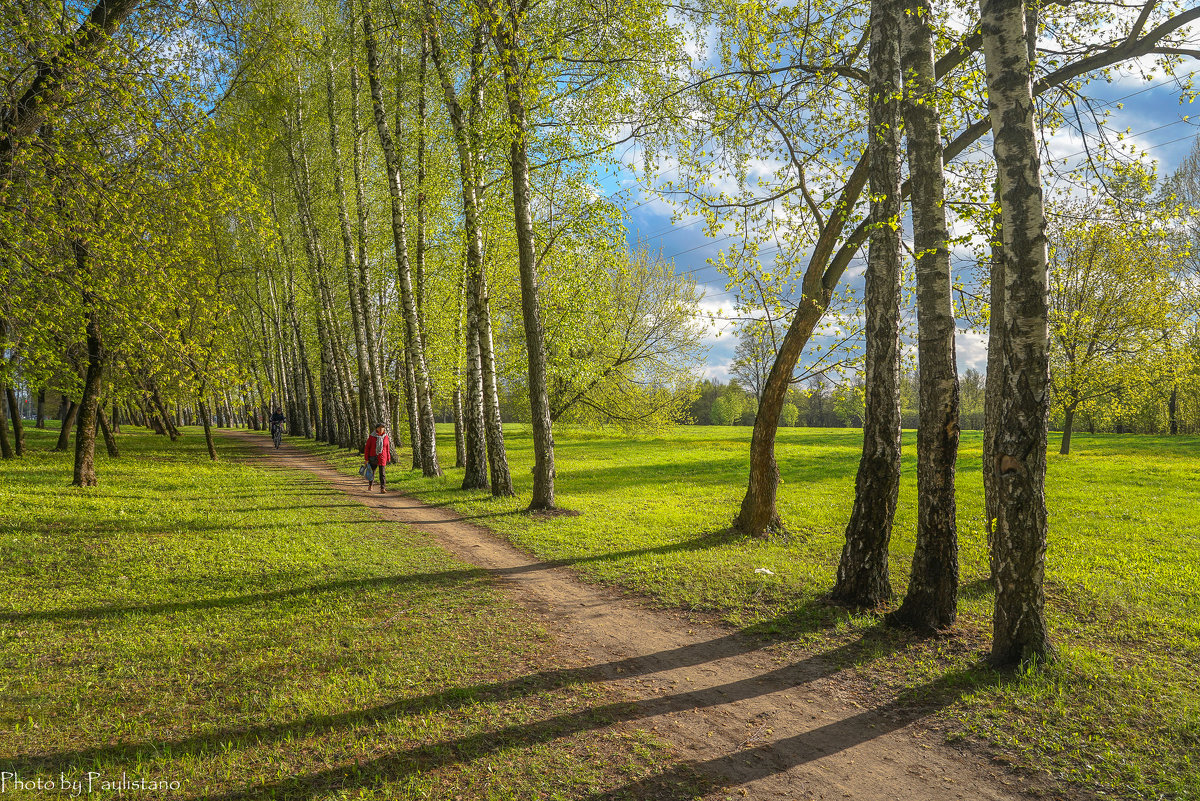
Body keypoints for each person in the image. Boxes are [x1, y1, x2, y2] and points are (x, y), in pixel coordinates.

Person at [364, 423, 390, 493]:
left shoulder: (386, 437)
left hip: (382, 457)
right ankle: (370, 485)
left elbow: (387, 448)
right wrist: (366, 458)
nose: (381, 429)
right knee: (372, 472)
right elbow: (367, 448)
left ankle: (382, 488)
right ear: (376, 429)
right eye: (380, 428)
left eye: (383, 428)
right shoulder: (372, 437)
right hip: (373, 457)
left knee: (382, 473)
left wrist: (388, 457)